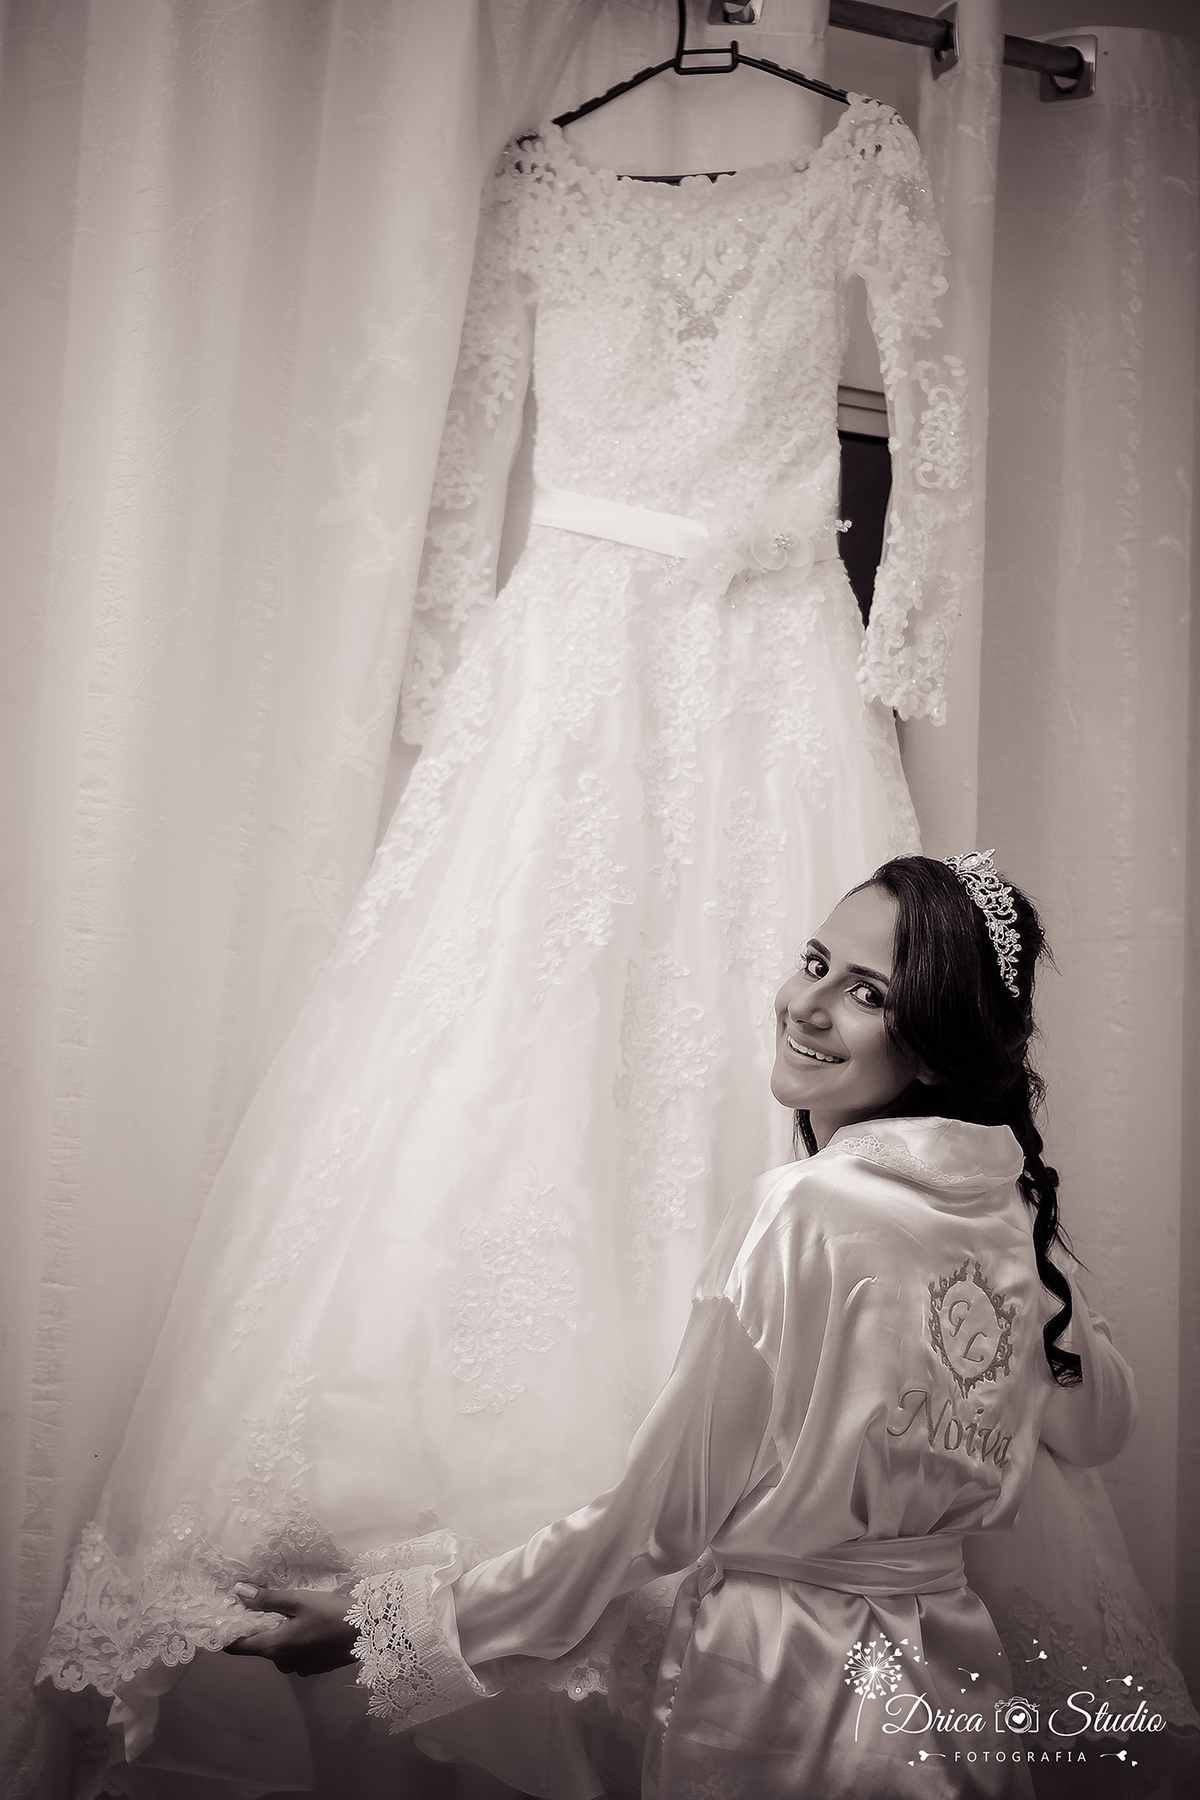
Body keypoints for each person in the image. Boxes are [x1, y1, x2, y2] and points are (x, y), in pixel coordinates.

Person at [222, 852, 1141, 1800]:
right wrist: (1035, 1257)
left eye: (866, 993)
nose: (806, 1004)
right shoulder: (993, 1215)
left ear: (940, 1046)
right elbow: (1096, 1426)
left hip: (788, 1690)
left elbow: (655, 1522)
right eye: (813, 960)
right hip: (953, 1683)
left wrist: (395, 1632)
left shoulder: (806, 1213)